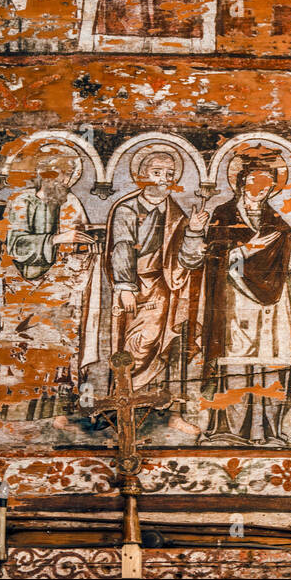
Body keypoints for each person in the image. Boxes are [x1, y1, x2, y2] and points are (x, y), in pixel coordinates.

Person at [181, 154, 291, 445]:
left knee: (271, 365)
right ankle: (229, 431)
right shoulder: (223, 217)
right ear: (240, 183)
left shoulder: (277, 222)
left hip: (272, 309)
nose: (261, 187)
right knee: (235, 365)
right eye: (255, 181)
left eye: (268, 183)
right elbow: (200, 261)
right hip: (234, 304)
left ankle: (269, 432)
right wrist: (200, 233)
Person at [0, 145, 101, 430]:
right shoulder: (21, 201)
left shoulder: (71, 203)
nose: (64, 181)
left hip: (63, 287)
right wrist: (55, 240)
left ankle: (59, 414)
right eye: (58, 175)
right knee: (27, 351)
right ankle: (18, 415)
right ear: (42, 175)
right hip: (25, 290)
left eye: (68, 176)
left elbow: (81, 240)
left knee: (61, 352)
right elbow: (15, 245)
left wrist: (86, 248)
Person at [104, 145, 201, 437]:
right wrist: (124, 286)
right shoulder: (126, 208)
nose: (163, 179)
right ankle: (126, 411)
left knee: (168, 347)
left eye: (169, 174)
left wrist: (194, 231)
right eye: (156, 172)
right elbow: (120, 247)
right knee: (137, 345)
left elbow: (188, 260)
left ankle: (170, 414)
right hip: (134, 285)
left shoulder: (177, 213)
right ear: (141, 176)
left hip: (166, 287)